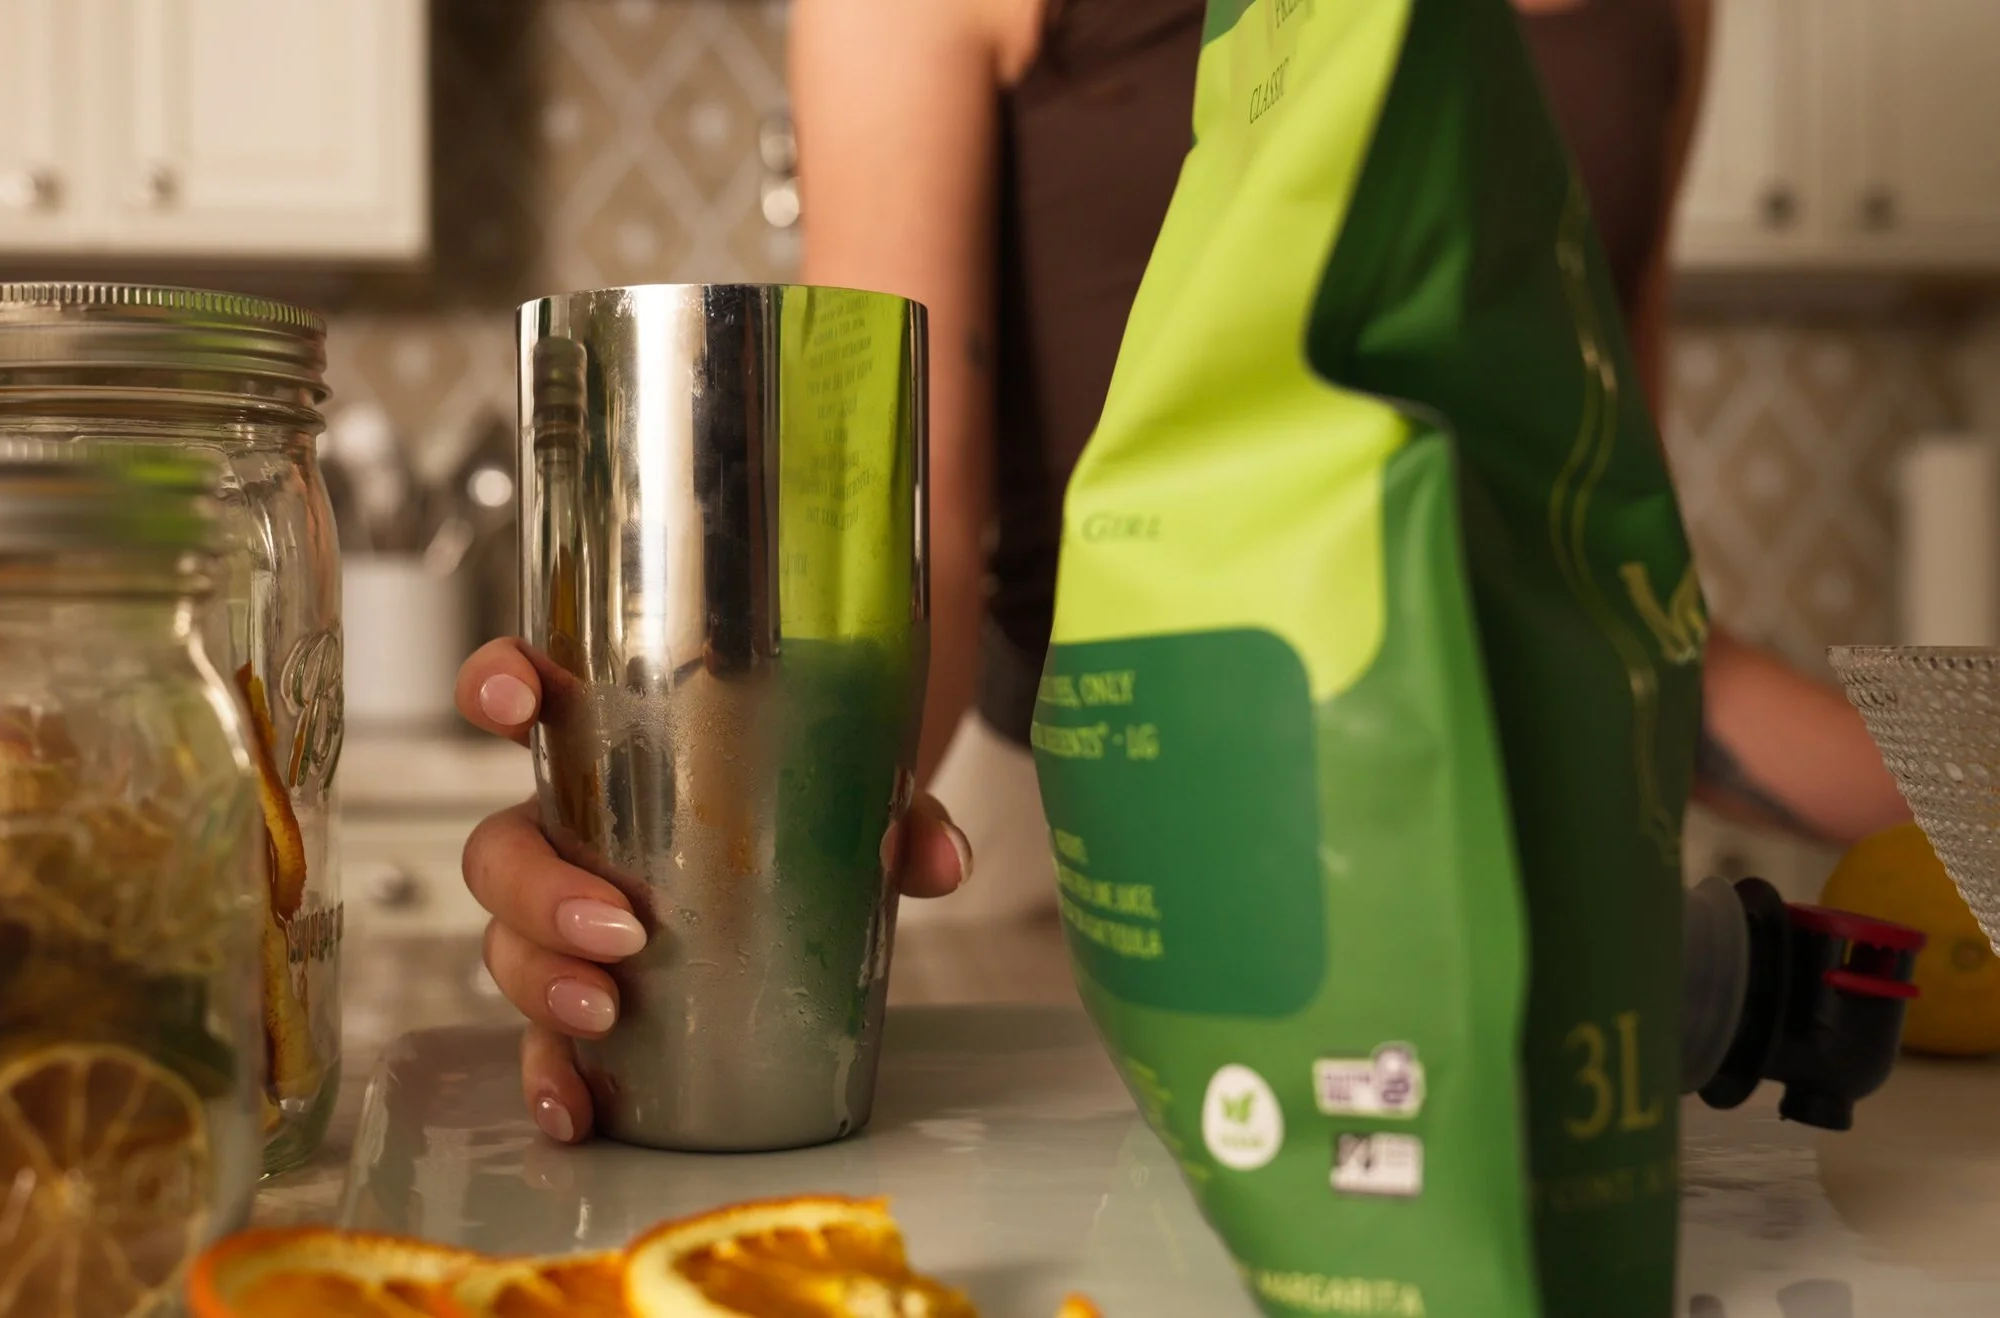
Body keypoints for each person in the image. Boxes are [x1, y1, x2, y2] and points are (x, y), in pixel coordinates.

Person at [452, 0, 1912, 1144]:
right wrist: (722, 891)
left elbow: (1617, 591)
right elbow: (923, 543)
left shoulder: (1673, 7)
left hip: (1527, 868)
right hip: (1109, 850)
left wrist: (1968, 792)